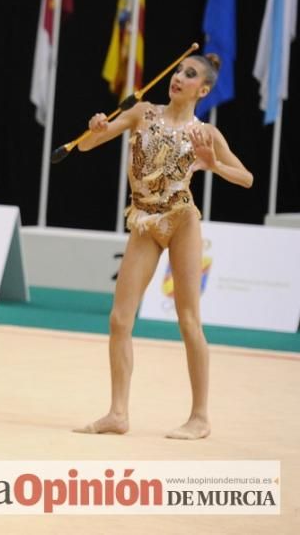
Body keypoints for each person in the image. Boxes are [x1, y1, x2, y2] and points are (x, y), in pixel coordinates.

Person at [74, 54, 252, 440]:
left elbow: (247, 178)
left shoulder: (205, 133)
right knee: (120, 319)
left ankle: (200, 417)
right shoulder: (142, 112)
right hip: (144, 222)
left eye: (190, 74)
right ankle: (118, 413)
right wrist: (96, 128)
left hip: (181, 222)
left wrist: (212, 164)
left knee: (189, 321)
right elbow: (87, 146)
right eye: (177, 70)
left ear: (203, 90)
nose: (178, 77)